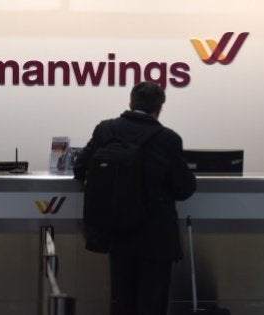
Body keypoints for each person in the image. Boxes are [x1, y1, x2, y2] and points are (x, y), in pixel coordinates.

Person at [73, 81, 196, 315]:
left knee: (122, 301)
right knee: (152, 303)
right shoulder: (168, 139)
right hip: (155, 237)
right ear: (159, 108)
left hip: (116, 232)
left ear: (130, 102)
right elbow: (184, 189)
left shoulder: (105, 130)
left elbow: (80, 169)